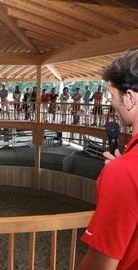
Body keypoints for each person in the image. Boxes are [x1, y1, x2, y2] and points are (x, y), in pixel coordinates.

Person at [78, 49, 138, 270]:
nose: (111, 104)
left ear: (129, 98)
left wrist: (121, 174)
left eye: (111, 97)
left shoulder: (124, 172)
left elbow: (99, 266)